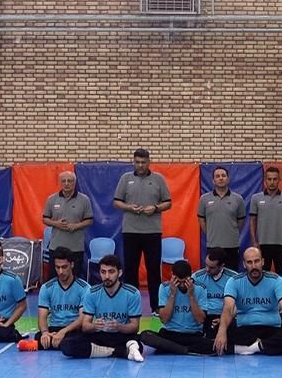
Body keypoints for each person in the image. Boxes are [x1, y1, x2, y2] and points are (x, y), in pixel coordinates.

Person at [113, 148, 172, 314]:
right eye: (137, 162)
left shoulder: (158, 179)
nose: (140, 165)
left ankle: (156, 306)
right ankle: (131, 307)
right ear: (133, 162)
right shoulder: (125, 178)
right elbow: (116, 202)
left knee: (153, 270)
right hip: (130, 231)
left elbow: (168, 203)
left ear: (149, 162)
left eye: (143, 162)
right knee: (130, 270)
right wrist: (129, 207)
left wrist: (155, 208)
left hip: (152, 232)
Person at [214, 247, 282, 356]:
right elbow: (228, 307)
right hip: (244, 328)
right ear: (244, 264)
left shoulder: (276, 280)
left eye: (257, 261)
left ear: (262, 262)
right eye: (249, 262)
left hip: (271, 328)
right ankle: (265, 346)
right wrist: (222, 332)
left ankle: (246, 348)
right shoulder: (234, 281)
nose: (254, 266)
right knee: (218, 328)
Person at [62, 254, 145, 362]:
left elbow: (135, 327)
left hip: (121, 335)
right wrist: (95, 326)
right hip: (100, 335)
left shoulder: (132, 293)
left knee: (139, 343)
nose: (107, 276)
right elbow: (85, 326)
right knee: (67, 345)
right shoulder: (92, 293)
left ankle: (104, 351)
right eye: (103, 272)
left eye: (111, 272)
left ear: (119, 273)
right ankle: (117, 351)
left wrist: (119, 326)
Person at [19, 247, 90, 352]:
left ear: (72, 265)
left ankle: (48, 344)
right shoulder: (46, 288)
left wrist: (63, 332)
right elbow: (42, 317)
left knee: (80, 338)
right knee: (40, 337)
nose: (61, 271)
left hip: (73, 329)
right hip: (54, 328)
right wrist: (45, 332)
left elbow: (82, 319)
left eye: (64, 267)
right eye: (57, 267)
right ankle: (56, 343)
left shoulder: (84, 288)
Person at [140, 260, 215, 355]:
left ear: (191, 275)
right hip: (169, 333)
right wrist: (172, 295)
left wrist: (191, 296)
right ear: (172, 275)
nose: (182, 285)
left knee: (213, 346)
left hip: (192, 335)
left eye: (185, 281)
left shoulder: (200, 288)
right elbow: (164, 319)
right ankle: (186, 350)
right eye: (179, 282)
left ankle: (172, 348)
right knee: (145, 335)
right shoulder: (164, 287)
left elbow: (200, 320)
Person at [42, 171, 93, 279]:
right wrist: (56, 224)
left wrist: (76, 226)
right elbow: (45, 219)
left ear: (74, 182)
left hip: (76, 248)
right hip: (56, 247)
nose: (66, 183)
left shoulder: (84, 200)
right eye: (63, 181)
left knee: (75, 279)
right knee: (54, 279)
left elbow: (89, 220)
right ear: (60, 183)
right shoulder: (52, 199)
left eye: (69, 181)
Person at [249, 166, 282, 273]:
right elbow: (252, 221)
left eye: (275, 179)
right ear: (265, 180)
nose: (272, 182)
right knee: (262, 275)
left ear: (279, 180)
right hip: (262, 244)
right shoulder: (256, 198)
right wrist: (254, 242)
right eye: (269, 179)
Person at [198, 166, 246, 270]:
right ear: (213, 181)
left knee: (231, 275)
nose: (221, 178)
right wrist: (210, 232)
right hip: (213, 245)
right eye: (217, 176)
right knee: (213, 274)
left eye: (223, 176)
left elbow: (240, 220)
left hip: (232, 245)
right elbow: (201, 219)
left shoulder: (238, 199)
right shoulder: (204, 199)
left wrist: (231, 230)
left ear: (228, 179)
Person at [193, 247, 240, 339]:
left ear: (221, 266)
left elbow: (240, 304)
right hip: (204, 316)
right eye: (206, 265)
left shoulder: (234, 278)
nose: (207, 269)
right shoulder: (196, 277)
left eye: (211, 267)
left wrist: (223, 320)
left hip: (226, 316)